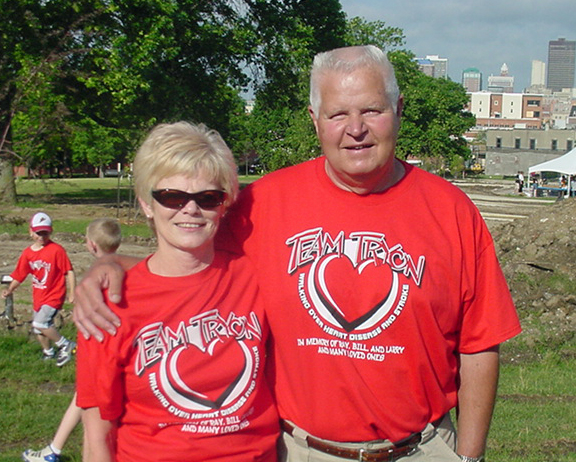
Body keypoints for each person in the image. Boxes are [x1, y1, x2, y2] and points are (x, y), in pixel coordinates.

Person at [74, 46, 521, 462]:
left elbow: (480, 344)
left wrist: (470, 456)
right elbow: (187, 253)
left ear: (399, 109)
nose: (356, 128)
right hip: (301, 450)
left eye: (372, 110)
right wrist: (112, 264)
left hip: (420, 449)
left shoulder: (450, 211)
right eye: (337, 114)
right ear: (314, 119)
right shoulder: (262, 204)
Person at [76, 122, 278, 462]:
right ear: (147, 204)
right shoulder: (109, 303)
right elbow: (98, 432)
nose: (190, 209)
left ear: (224, 205)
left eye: (208, 198)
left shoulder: (254, 276)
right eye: (172, 196)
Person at [22, 218, 123, 462]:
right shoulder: (127, 272)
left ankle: (56, 451)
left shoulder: (97, 279)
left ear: (91, 244)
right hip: (119, 353)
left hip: (100, 354)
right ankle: (53, 450)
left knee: (94, 422)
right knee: (83, 400)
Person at [2, 212, 76, 367]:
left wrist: (72, 292)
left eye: (45, 233)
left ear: (51, 231)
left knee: (40, 323)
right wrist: (10, 289)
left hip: (54, 295)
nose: (41, 237)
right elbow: (20, 274)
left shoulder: (56, 250)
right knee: (38, 329)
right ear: (31, 231)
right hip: (39, 296)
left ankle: (66, 344)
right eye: (38, 233)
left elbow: (69, 271)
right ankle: (48, 352)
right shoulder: (28, 254)